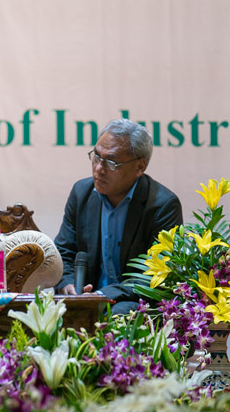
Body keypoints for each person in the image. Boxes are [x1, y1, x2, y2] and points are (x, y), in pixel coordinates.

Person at [54, 119, 183, 315]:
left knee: (117, 314)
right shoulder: (82, 193)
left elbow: (154, 275)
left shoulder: (162, 205)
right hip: (86, 298)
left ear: (140, 167)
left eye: (111, 162)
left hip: (134, 301)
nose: (98, 168)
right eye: (96, 157)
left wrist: (101, 295)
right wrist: (68, 284)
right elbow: (63, 251)